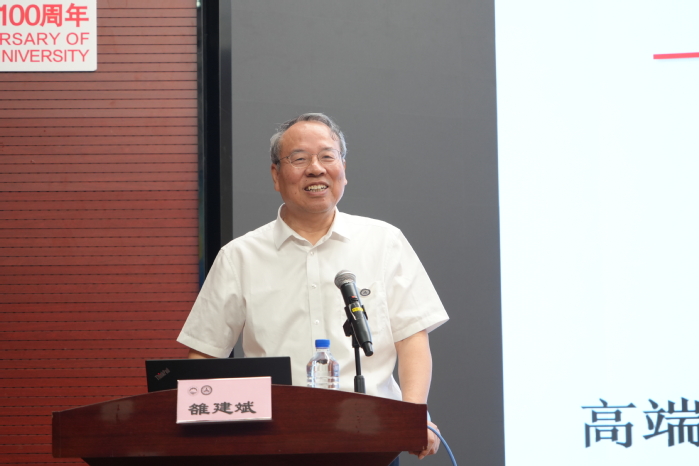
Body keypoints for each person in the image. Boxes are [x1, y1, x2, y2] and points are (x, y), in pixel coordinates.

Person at [177, 113, 448, 460]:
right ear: (276, 175)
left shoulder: (384, 241)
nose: (316, 169)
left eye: (327, 156)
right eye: (299, 159)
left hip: (372, 440)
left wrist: (414, 415)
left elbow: (412, 338)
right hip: (272, 443)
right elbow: (204, 353)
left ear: (343, 169)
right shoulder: (239, 256)